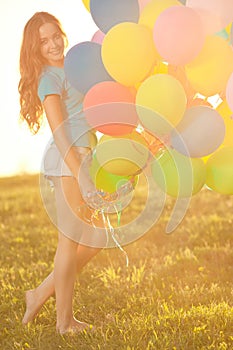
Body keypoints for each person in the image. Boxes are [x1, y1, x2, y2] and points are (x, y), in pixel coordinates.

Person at [18, 11, 105, 334]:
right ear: (35, 48)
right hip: (69, 162)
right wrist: (80, 174)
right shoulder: (48, 80)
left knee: (95, 240)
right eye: (44, 41)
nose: (53, 44)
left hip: (86, 157)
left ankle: (39, 293)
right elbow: (60, 133)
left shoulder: (75, 66)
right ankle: (64, 322)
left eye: (56, 36)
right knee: (68, 242)